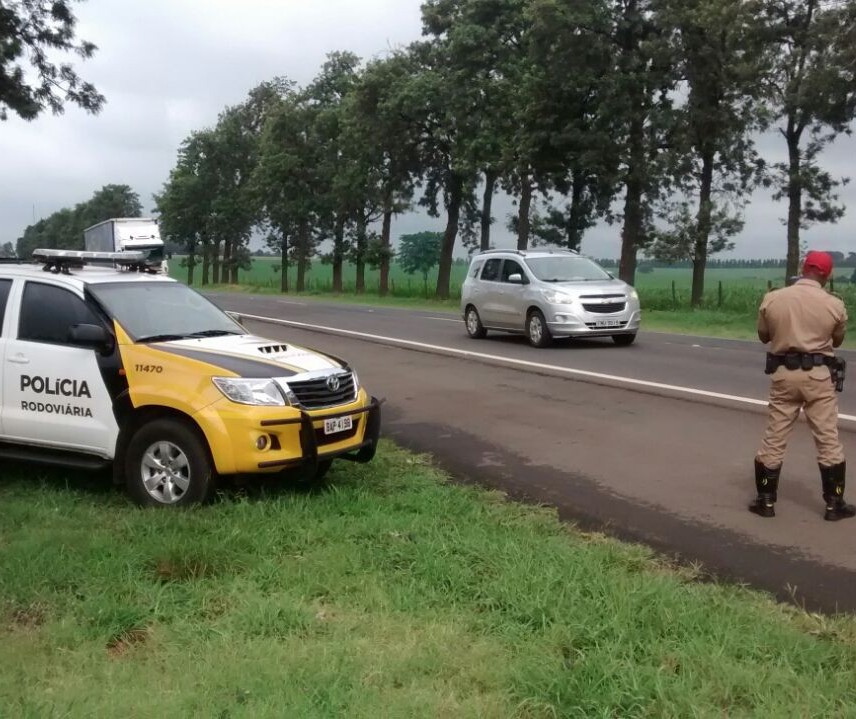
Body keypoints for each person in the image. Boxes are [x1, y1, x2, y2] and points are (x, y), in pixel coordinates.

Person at [751, 250, 855, 521]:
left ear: (802, 267)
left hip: (784, 374)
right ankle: (834, 504)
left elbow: (763, 335)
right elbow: (838, 340)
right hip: (819, 377)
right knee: (827, 439)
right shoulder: (834, 304)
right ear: (827, 274)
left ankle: (765, 501)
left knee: (775, 437)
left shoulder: (773, 298)